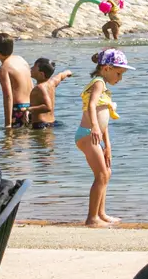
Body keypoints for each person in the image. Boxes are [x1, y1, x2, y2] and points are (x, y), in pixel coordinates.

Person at [76, 50, 126, 227]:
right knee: (101, 174)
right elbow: (91, 106)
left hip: (95, 135)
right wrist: (95, 127)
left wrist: (108, 145)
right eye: (118, 73)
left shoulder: (103, 85)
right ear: (106, 68)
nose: (120, 78)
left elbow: (103, 118)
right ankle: (92, 218)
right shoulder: (98, 83)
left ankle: (101, 213)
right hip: (88, 134)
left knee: (107, 173)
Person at [0, 33, 35, 127]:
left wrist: (8, 124)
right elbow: (31, 85)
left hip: (18, 109)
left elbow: (8, 96)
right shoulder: (21, 59)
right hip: (31, 107)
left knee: (15, 140)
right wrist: (31, 108)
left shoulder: (3, 69)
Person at [24, 59, 68, 129]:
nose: (31, 68)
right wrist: (68, 72)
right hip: (51, 123)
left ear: (41, 74)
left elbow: (48, 107)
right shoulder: (52, 83)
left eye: (34, 67)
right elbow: (61, 75)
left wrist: (28, 109)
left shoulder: (40, 88)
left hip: (41, 125)